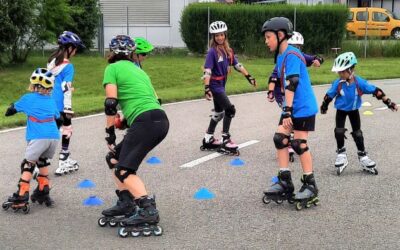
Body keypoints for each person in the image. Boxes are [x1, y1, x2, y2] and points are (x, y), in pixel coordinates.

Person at [100, 35, 169, 237]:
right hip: (159, 120)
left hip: (146, 121)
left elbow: (110, 103)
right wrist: (126, 121)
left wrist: (110, 132)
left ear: (111, 53)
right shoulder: (139, 71)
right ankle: (126, 202)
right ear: (131, 53)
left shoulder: (112, 68)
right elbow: (152, 101)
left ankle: (148, 210)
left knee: (123, 170)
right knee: (113, 158)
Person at [261, 17, 319, 210]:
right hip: (291, 106)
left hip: (302, 107)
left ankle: (310, 185)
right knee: (280, 139)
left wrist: (287, 111)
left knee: (299, 144)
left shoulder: (292, 54)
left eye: (268, 37)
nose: (266, 41)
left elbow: (292, 82)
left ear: (280, 35)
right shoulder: (281, 55)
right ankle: (285, 180)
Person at [320, 52, 398, 175]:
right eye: (339, 72)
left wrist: (389, 103)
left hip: (354, 111)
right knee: (339, 131)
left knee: (358, 134)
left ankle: (363, 156)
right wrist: (324, 106)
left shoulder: (359, 83)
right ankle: (341, 153)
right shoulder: (338, 83)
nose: (340, 74)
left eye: (342, 72)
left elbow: (377, 91)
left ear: (350, 70)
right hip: (341, 111)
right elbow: (328, 96)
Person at [2, 68, 60, 213]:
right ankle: (43, 191)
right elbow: (58, 117)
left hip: (38, 137)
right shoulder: (51, 100)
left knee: (28, 165)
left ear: (34, 85)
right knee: (43, 161)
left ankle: (21, 196)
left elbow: (11, 110)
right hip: (53, 137)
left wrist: (11, 109)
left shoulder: (28, 98)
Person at [200, 21, 257, 156]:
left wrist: (249, 76)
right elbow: (207, 71)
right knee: (230, 110)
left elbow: (237, 65)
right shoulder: (212, 52)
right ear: (213, 37)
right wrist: (207, 87)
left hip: (221, 85)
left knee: (219, 113)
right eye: (216, 36)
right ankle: (225, 139)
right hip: (215, 86)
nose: (219, 38)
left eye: (221, 35)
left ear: (225, 35)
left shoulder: (228, 51)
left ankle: (208, 138)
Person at [267, 31, 324, 162]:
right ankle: (286, 141)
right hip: (281, 94)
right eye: (295, 46)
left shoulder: (298, 55)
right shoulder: (283, 58)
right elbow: (273, 78)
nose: (297, 50)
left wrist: (318, 61)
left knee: (292, 119)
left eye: (299, 47)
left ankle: (289, 141)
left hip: (295, 95)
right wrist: (270, 92)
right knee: (288, 119)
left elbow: (315, 58)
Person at [47, 31, 85, 176]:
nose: (75, 51)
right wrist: (68, 108)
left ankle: (39, 163)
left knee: (50, 132)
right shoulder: (68, 66)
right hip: (60, 103)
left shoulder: (51, 62)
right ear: (69, 48)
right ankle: (63, 160)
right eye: (75, 48)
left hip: (49, 102)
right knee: (67, 128)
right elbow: (66, 88)